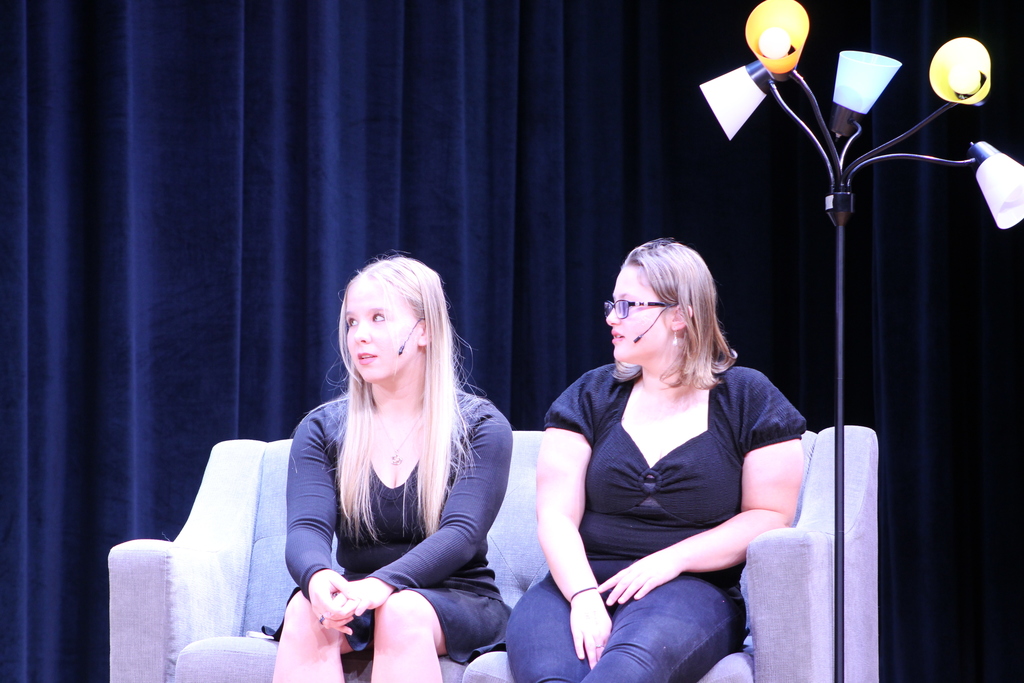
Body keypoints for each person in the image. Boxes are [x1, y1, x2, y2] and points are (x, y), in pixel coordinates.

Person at [506, 238, 806, 683]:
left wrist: (671, 559)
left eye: (628, 306)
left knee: (623, 673)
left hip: (689, 589)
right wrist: (585, 594)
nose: (612, 317)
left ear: (679, 315)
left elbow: (769, 516)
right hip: (581, 582)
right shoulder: (590, 395)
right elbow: (555, 516)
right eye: (613, 304)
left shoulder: (747, 397)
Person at [272, 255, 513, 683]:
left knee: (401, 611)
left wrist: (382, 586)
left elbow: (461, 535)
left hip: (456, 595)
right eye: (351, 322)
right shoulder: (322, 428)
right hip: (359, 590)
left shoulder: (481, 426)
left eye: (378, 318)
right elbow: (306, 529)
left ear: (423, 331)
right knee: (305, 611)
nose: (359, 336)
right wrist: (318, 578)